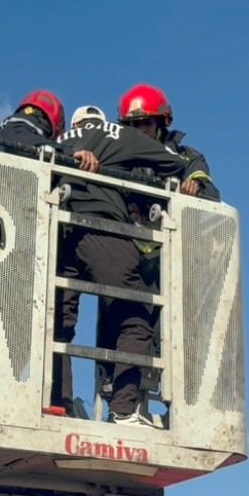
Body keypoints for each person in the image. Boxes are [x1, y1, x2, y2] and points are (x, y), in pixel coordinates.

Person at [51, 115, 188, 427]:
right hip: (104, 229)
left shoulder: (57, 142)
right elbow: (172, 162)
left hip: (57, 234)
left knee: (57, 324)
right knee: (136, 315)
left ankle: (56, 404)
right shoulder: (118, 134)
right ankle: (124, 411)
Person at [96, 84, 222, 382]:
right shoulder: (116, 151)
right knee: (117, 326)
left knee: (171, 335)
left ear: (163, 123)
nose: (139, 130)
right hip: (124, 252)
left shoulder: (185, 156)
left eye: (146, 123)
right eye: (132, 125)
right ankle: (113, 389)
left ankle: (173, 391)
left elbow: (210, 192)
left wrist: (197, 187)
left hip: (169, 260)